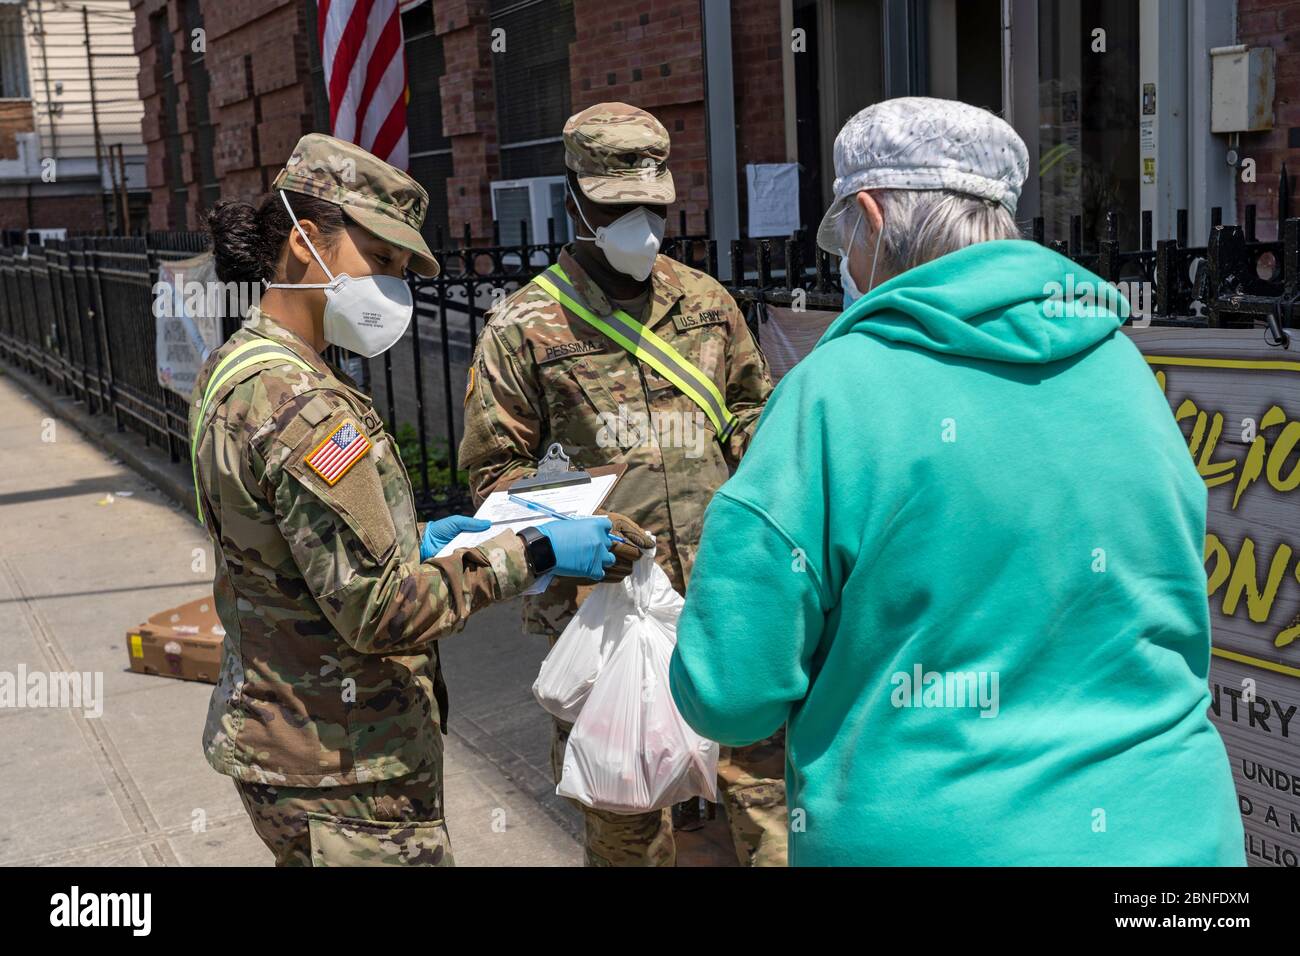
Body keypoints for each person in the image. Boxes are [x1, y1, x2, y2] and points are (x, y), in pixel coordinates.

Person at [668, 97, 1246, 866]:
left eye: (844, 236)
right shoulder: (1122, 367)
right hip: (1177, 839)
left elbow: (729, 696)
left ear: (868, 219)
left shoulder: (833, 394)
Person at [192, 132, 648, 867]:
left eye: (401, 269)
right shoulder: (307, 407)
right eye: (380, 261)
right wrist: (530, 551)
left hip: (292, 744)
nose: (393, 288)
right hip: (346, 764)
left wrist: (420, 539)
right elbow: (382, 613)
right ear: (307, 242)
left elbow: (290, 551)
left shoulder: (240, 367)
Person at [459, 103, 781, 866]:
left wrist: (765, 451)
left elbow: (746, 405)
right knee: (626, 813)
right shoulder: (524, 327)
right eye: (615, 206)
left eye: (651, 204)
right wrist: (567, 535)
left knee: (766, 796)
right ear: (574, 201)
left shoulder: (704, 302)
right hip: (603, 608)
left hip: (724, 594)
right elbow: (491, 474)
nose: (639, 221)